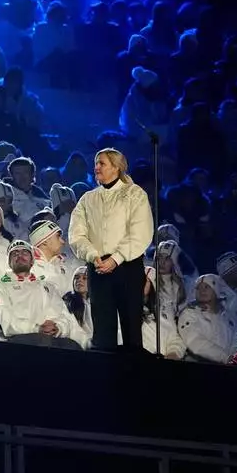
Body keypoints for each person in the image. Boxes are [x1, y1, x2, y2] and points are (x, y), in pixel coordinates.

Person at [67, 147, 153, 352]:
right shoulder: (88, 198)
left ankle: (132, 368)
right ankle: (104, 368)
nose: (96, 167)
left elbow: (141, 231)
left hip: (127, 266)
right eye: (95, 163)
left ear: (116, 167)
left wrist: (116, 258)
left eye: (102, 163)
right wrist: (92, 255)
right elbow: (77, 234)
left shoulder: (134, 194)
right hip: (98, 266)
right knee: (102, 331)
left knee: (131, 328)